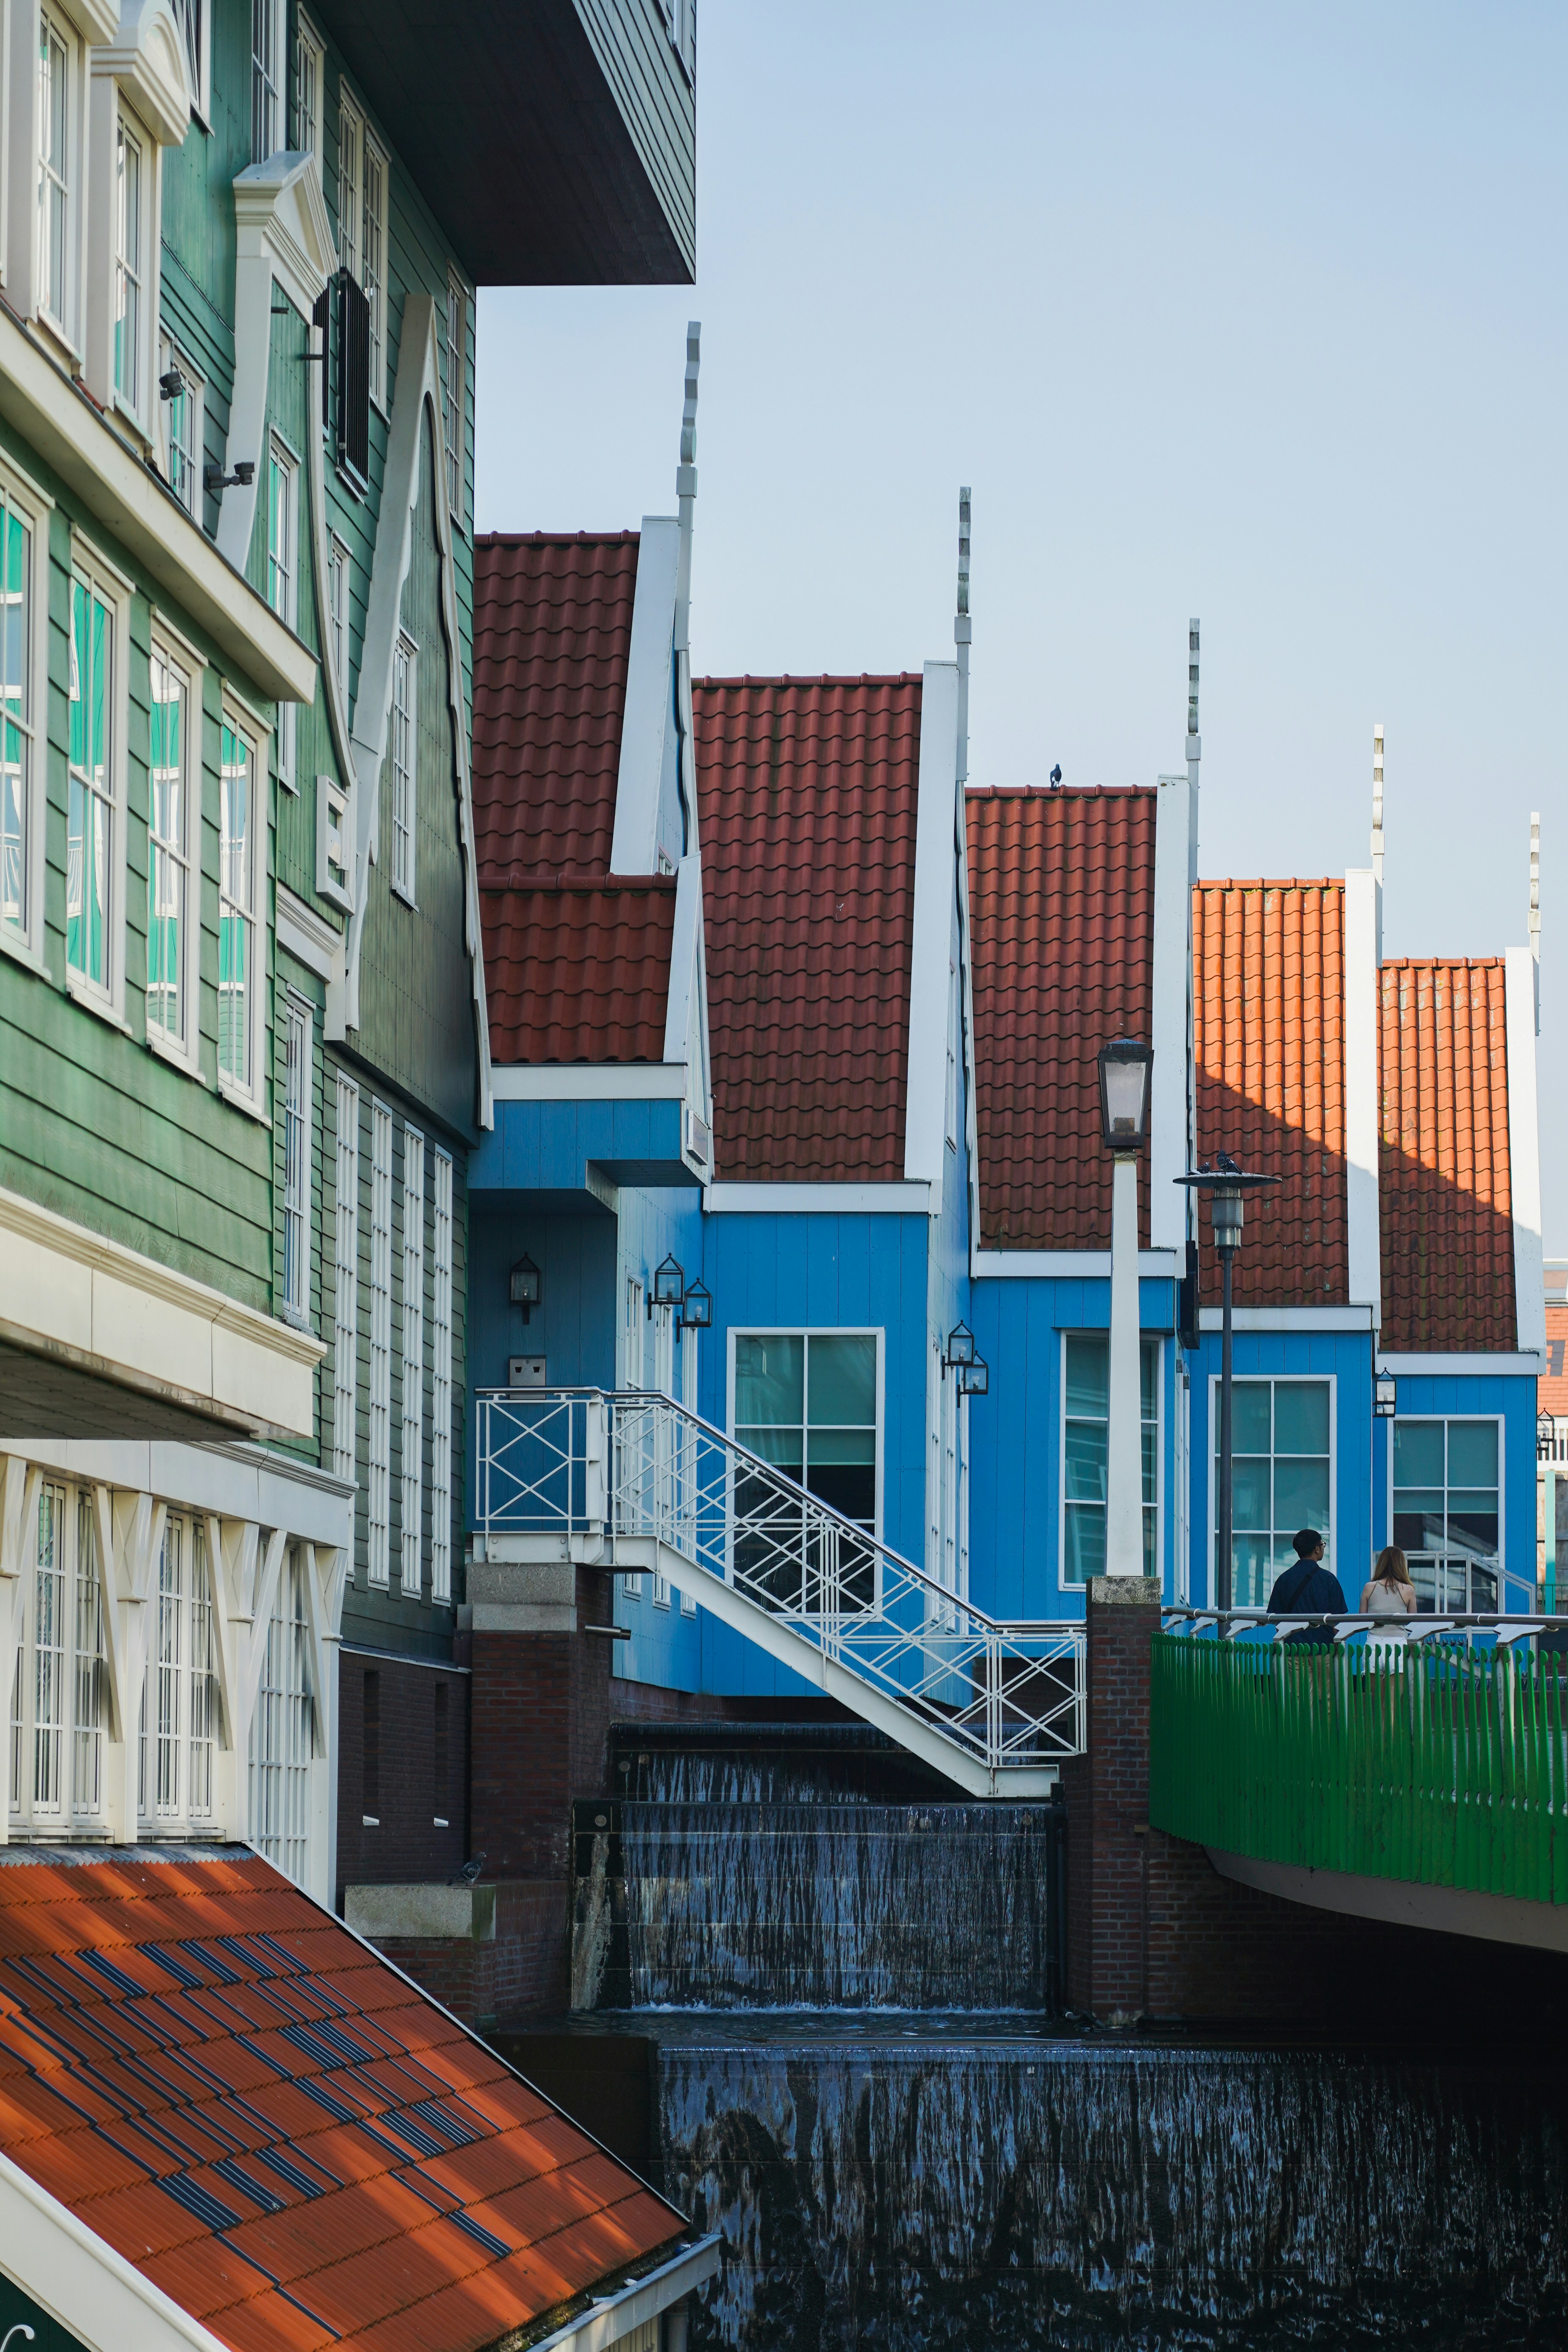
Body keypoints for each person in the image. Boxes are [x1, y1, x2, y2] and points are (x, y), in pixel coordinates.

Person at [1266, 1527, 1346, 1645]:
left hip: (1293, 1650)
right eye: (1322, 1544)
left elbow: (1277, 1621)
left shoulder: (1284, 1579)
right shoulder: (1328, 1579)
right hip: (1323, 1651)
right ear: (1317, 1549)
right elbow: (1337, 1622)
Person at [1360, 1544, 1417, 1633]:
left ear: (1381, 1564)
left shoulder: (1369, 1587)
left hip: (1375, 1641)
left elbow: (1362, 1620)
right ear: (1401, 1565)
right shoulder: (1408, 1590)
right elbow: (1412, 1622)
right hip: (1398, 1642)